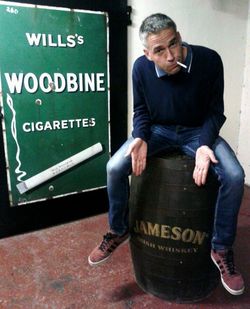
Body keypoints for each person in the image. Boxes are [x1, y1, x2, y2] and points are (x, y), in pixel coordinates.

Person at [88, 13, 245, 296]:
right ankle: (118, 229)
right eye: (160, 50)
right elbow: (141, 112)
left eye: (174, 43)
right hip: (158, 131)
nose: (171, 55)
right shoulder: (141, 69)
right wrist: (140, 136)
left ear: (179, 36)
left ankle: (220, 248)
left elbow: (215, 112)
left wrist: (205, 144)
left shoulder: (209, 61)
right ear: (148, 54)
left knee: (235, 175)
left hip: (197, 131)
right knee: (113, 167)